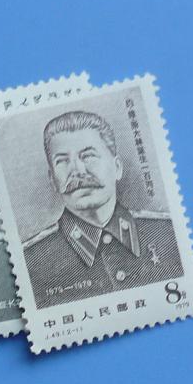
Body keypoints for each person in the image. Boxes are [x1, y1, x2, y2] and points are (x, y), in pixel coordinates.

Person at [22, 109, 183, 305]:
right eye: (62, 161)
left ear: (117, 168)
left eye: (88, 156)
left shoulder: (170, 233)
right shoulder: (31, 263)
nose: (77, 171)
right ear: (53, 180)